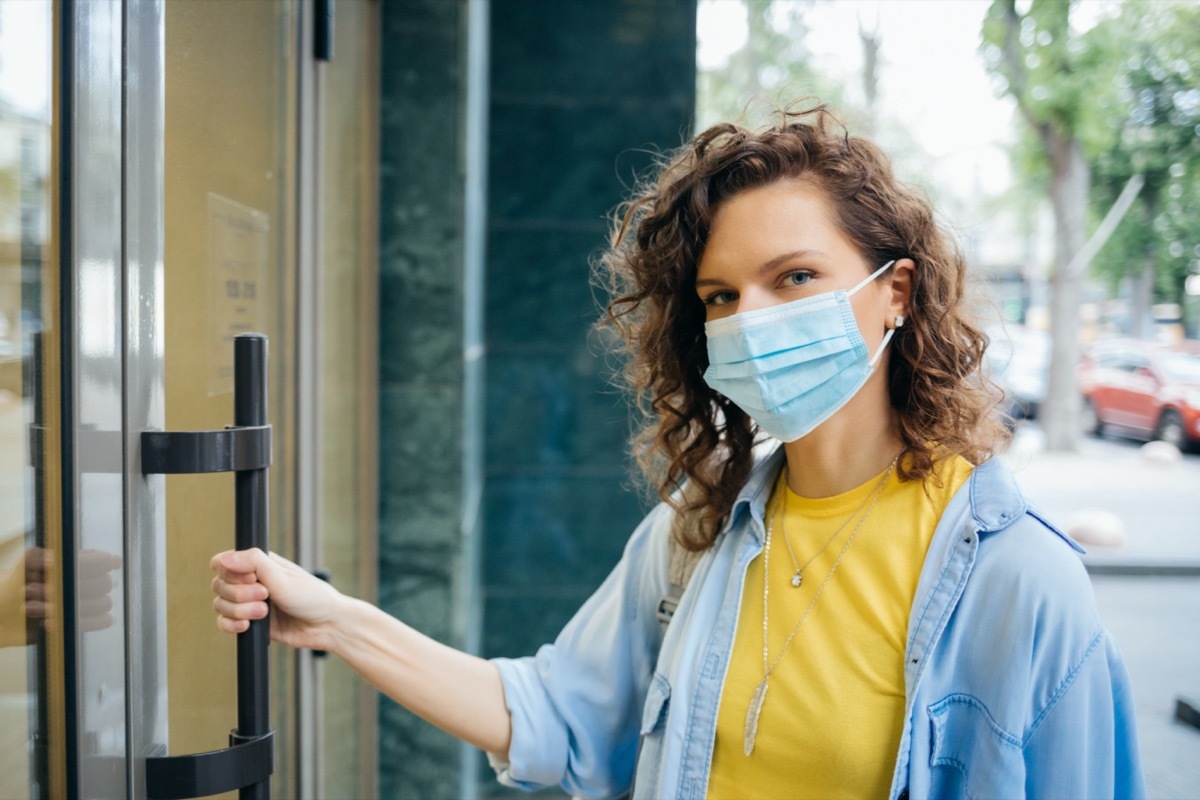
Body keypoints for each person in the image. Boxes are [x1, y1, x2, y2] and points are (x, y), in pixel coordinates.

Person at [211, 104, 1143, 799]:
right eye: (721, 297)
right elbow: (553, 715)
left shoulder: (1019, 580)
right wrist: (335, 620)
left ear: (896, 291)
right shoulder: (693, 539)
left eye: (796, 278)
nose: (752, 319)